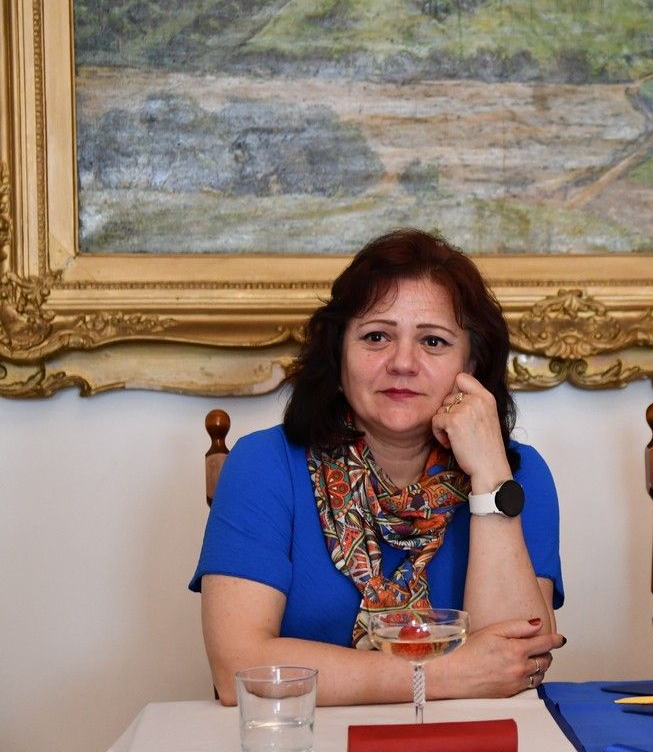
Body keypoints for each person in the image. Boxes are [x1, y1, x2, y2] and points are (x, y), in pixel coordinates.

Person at [190, 229, 565, 706]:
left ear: (471, 363)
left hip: (470, 740)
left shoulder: (517, 474)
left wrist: (490, 476)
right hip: (312, 741)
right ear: (338, 355)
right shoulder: (264, 465)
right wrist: (444, 673)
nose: (403, 362)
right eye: (376, 336)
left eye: (433, 341)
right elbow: (238, 669)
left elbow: (515, 665)